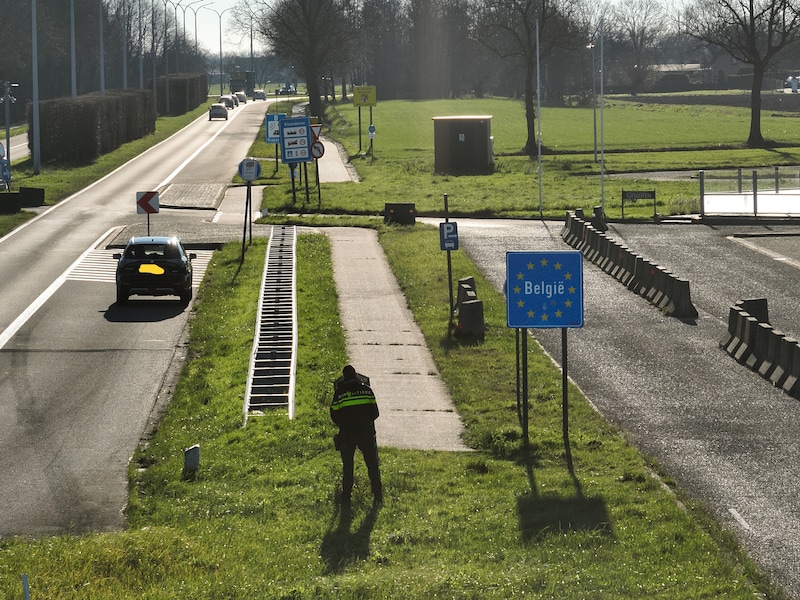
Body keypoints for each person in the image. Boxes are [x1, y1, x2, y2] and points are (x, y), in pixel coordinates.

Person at [330, 365, 383, 507]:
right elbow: (375, 413)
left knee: (348, 466)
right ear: (356, 375)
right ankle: (378, 495)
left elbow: (334, 414)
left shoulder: (339, 393)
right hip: (366, 432)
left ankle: (346, 497)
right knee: (372, 465)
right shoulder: (367, 391)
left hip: (347, 434)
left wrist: (345, 424)